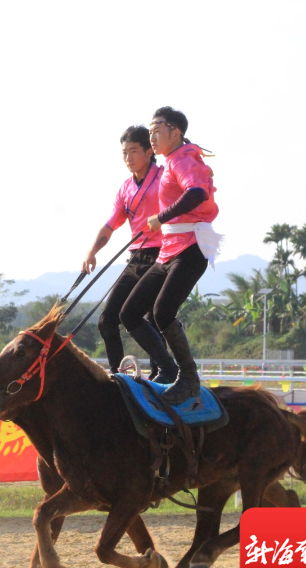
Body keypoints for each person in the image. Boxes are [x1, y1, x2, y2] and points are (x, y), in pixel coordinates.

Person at [119, 106, 222, 403]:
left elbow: (197, 193)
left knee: (162, 312)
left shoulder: (183, 158)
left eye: (157, 130)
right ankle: (167, 369)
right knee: (130, 313)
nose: (151, 137)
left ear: (175, 132)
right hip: (169, 249)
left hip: (190, 247)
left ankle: (188, 379)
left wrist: (161, 217)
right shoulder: (174, 160)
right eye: (150, 131)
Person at [81, 125, 177, 382]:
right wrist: (92, 251)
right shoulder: (125, 188)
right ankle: (118, 377)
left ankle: (162, 373)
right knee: (107, 321)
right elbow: (111, 224)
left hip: (162, 256)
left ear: (148, 151)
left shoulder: (165, 177)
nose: (128, 158)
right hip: (136, 258)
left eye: (133, 151)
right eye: (124, 153)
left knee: (150, 317)